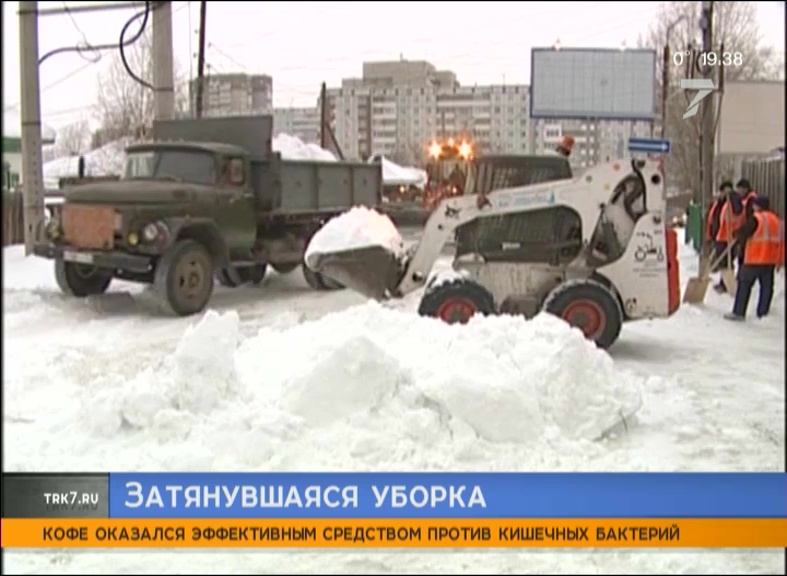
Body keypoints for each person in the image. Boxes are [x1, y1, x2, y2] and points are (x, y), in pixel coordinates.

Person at [724, 196, 783, 321]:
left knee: (744, 285)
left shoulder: (756, 219)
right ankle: (763, 312)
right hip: (770, 260)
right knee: (766, 287)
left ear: (758, 206)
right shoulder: (776, 220)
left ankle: (739, 312)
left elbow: (744, 232)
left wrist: (736, 234)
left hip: (755, 258)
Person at [712, 183, 743, 293]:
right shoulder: (723, 202)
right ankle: (723, 283)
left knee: (726, 262)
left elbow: (736, 215)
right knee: (723, 262)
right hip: (721, 236)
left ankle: (726, 285)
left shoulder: (734, 202)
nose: (719, 194)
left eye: (721, 191)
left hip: (727, 237)